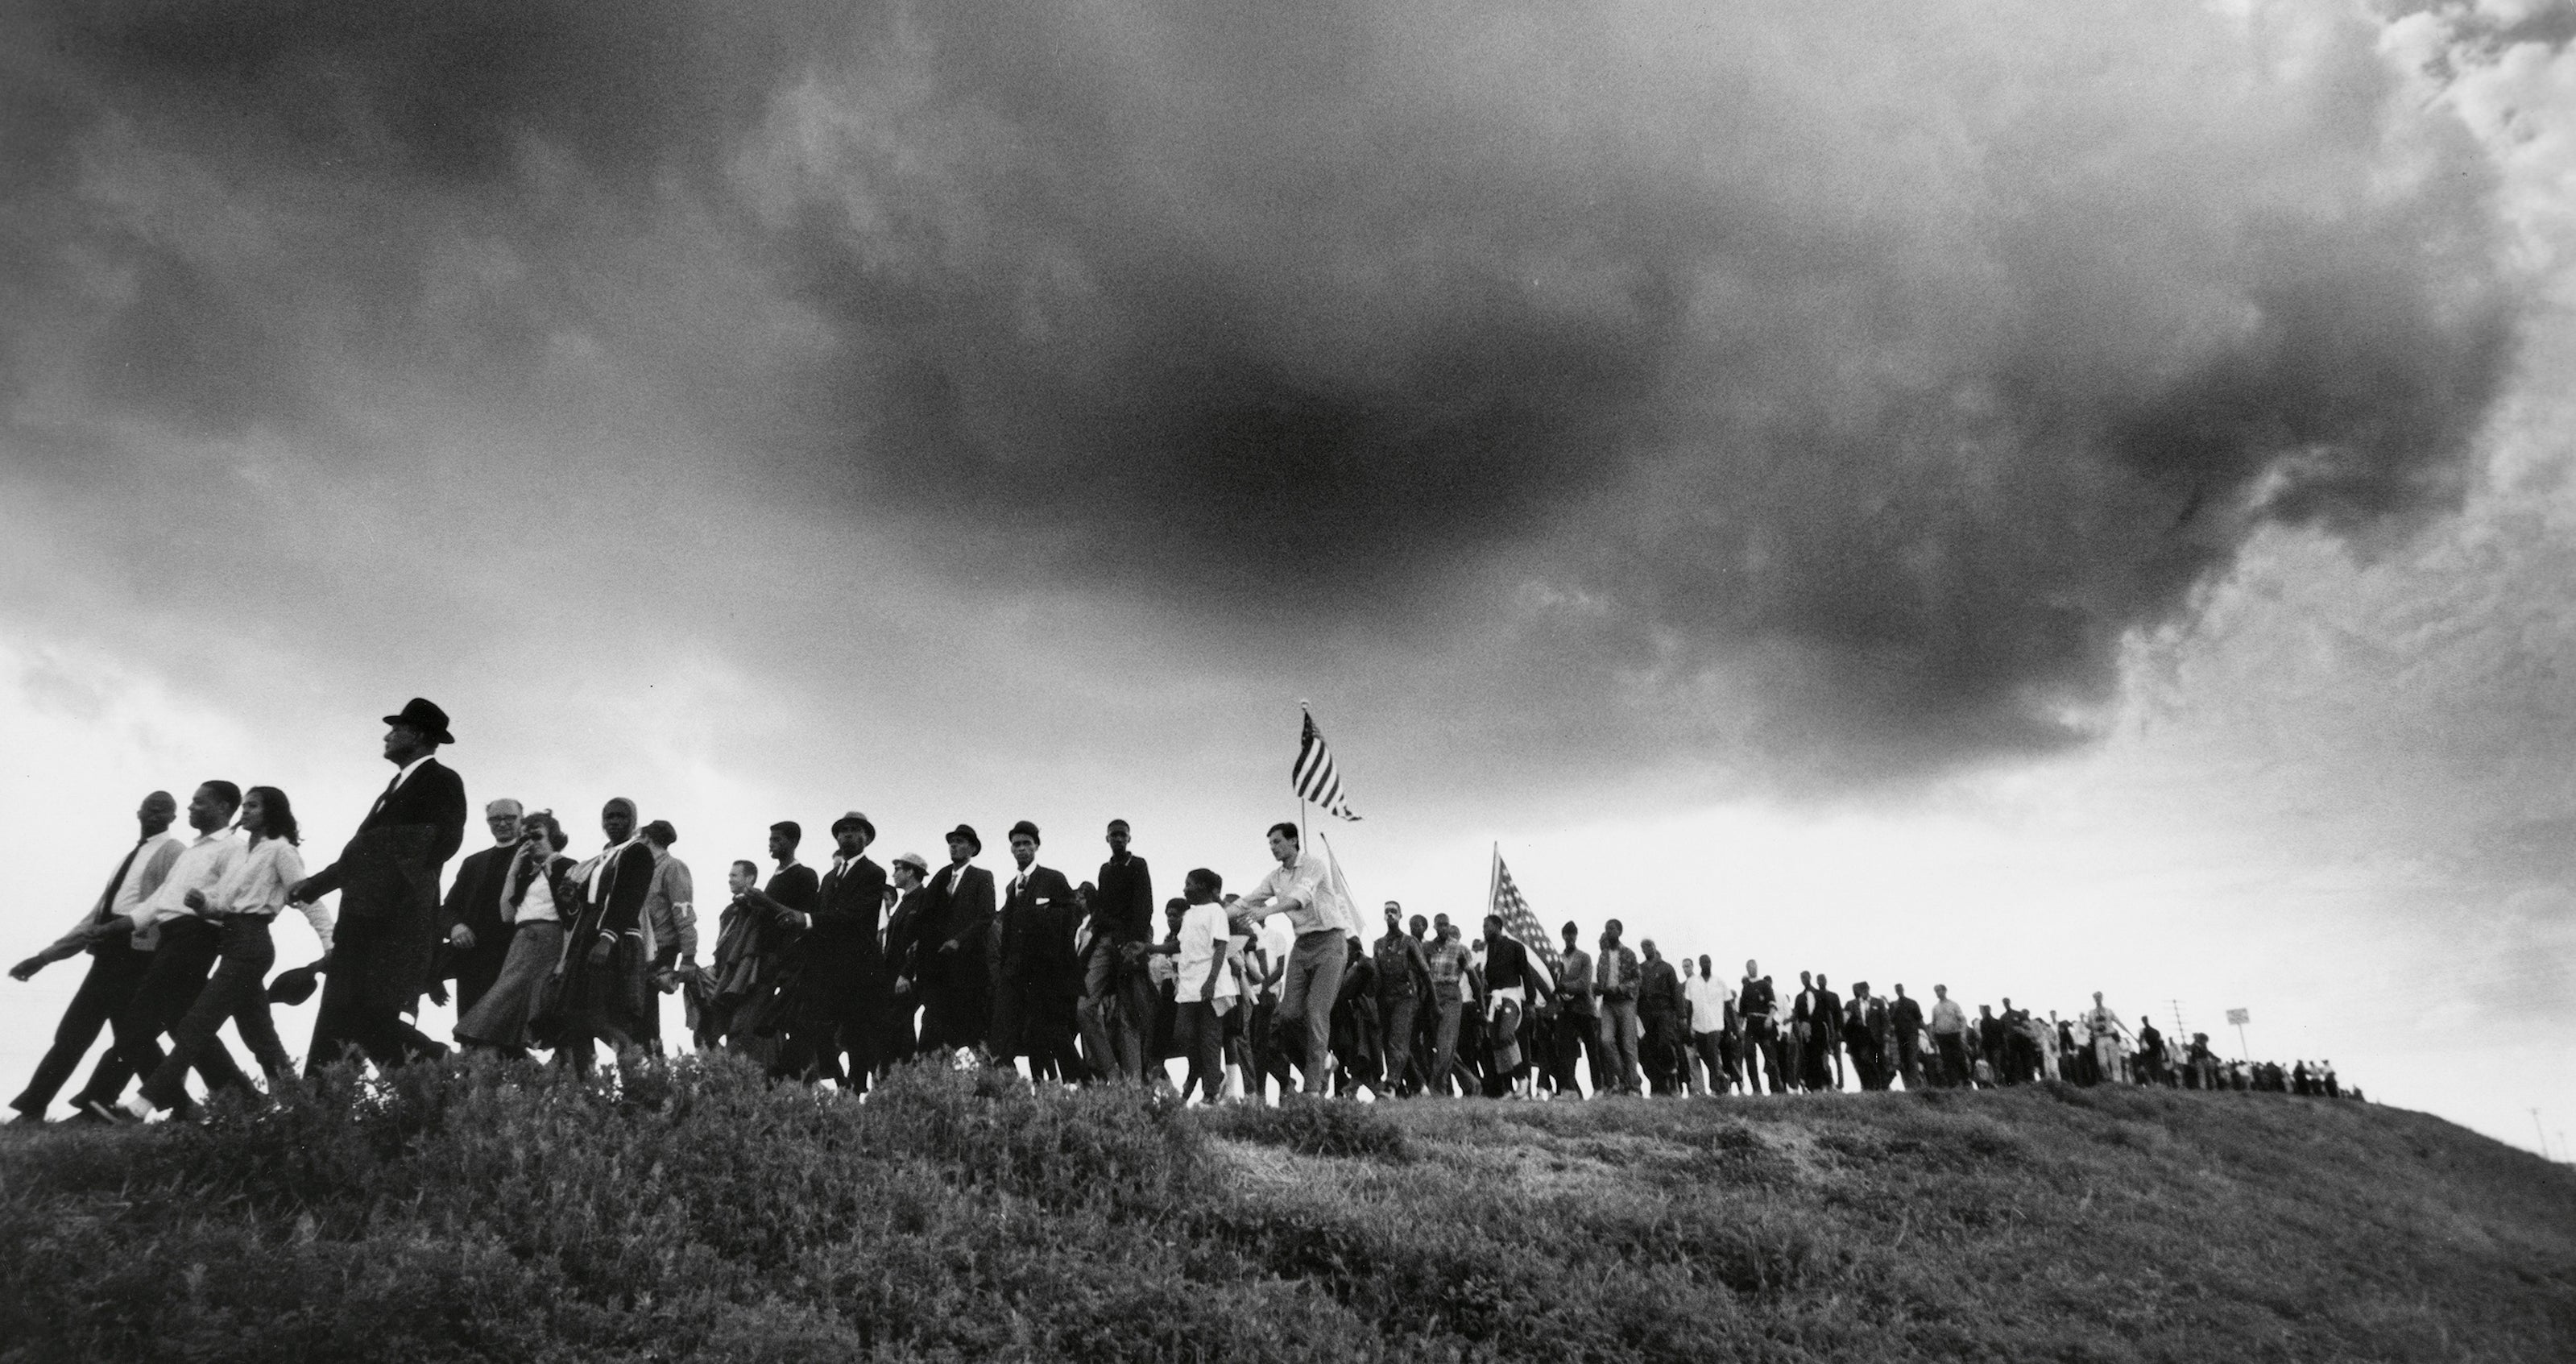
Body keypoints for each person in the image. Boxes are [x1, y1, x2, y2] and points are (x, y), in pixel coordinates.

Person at [123, 786, 329, 1117]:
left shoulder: (280, 851)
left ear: (271, 812)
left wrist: (330, 943)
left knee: (195, 1024)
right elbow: (226, 908)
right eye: (244, 805)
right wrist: (204, 905)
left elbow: (308, 898)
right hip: (233, 942)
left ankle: (141, 1104)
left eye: (253, 806)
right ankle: (299, 1110)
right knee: (259, 1036)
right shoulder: (244, 853)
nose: (244, 811)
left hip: (251, 945)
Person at [290, 699, 468, 1075]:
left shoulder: (443, 780)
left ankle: (445, 1071)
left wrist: (378, 860)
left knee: (368, 1015)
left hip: (395, 920)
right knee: (342, 1013)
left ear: (418, 736)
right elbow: (359, 856)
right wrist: (316, 885)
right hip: (362, 916)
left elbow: (443, 842)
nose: (387, 736)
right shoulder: (394, 786)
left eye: (396, 729)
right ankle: (321, 1105)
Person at [8, 791, 184, 1123]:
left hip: (137, 958)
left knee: (130, 1040)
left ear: (173, 818)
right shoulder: (129, 857)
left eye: (165, 810)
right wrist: (44, 957)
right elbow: (95, 917)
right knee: (76, 1036)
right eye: (151, 807)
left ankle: (176, 1105)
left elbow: (167, 906)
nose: (156, 814)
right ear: (139, 811)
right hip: (107, 956)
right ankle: (33, 1108)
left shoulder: (174, 852)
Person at [96, 782, 254, 1117]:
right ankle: (241, 1101)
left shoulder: (234, 848)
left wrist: (204, 904)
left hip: (196, 937)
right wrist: (114, 927)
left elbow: (229, 898)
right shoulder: (191, 852)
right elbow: (158, 902)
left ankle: (121, 1099)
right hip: (170, 937)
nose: (191, 808)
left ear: (224, 808)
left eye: (199, 802)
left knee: (137, 1020)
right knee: (186, 1027)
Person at [1228, 823, 1352, 1097]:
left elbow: (1300, 898)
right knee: (1287, 1016)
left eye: (1277, 842)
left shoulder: (1314, 866)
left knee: (1316, 1013)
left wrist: (1267, 912)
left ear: (1294, 841)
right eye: (1270, 843)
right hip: (1303, 944)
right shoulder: (1275, 877)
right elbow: (1248, 901)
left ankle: (1311, 1091)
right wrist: (1214, 915)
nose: (1273, 847)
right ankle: (1324, 1064)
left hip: (1330, 942)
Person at [553, 798, 658, 1075]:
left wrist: (607, 939)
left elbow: (629, 899)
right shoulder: (602, 857)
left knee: (605, 1018)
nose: (613, 821)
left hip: (616, 942)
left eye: (620, 816)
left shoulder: (638, 853)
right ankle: (583, 1091)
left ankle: (640, 1082)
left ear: (633, 821)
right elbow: (587, 907)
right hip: (587, 939)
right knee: (576, 1018)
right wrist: (570, 900)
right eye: (608, 817)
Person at [455, 811, 574, 1056]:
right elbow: (507, 914)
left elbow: (571, 918)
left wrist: (564, 961)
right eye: (525, 838)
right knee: (496, 1023)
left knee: (495, 1017)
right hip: (520, 945)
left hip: (546, 943)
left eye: (537, 836)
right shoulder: (527, 873)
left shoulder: (566, 866)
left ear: (553, 837)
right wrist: (513, 872)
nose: (531, 842)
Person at [785, 812, 888, 1089]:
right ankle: (839, 1081)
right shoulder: (830, 877)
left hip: (857, 969)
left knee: (856, 1035)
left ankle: (855, 1091)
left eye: (855, 830)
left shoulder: (874, 873)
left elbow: (852, 915)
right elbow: (821, 914)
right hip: (826, 968)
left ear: (866, 838)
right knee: (817, 1026)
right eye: (843, 831)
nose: (847, 835)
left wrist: (808, 920)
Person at [988, 822, 1083, 1082]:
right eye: (1017, 844)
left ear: (1036, 847)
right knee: (1003, 1029)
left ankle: (1083, 1083)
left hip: (1045, 971)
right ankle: (1005, 1085)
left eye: (1026, 844)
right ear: (1011, 849)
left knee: (1050, 1031)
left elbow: (1070, 918)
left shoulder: (1053, 878)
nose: (1021, 849)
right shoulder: (1011, 887)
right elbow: (1007, 931)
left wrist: (1054, 962)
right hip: (1014, 971)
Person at [1079, 819, 1158, 1085]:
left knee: (1129, 1015)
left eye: (1122, 835)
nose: (1118, 839)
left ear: (1129, 838)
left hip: (1130, 942)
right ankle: (1111, 1071)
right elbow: (1102, 908)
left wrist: (1134, 944)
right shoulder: (1105, 869)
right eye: (1114, 835)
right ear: (1107, 839)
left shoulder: (1138, 865)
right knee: (1084, 1007)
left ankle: (1134, 1087)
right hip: (1105, 940)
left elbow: (1145, 906)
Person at [436, 799, 524, 1022]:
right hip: (474, 959)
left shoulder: (533, 857)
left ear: (522, 819)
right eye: (495, 819)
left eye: (509, 818)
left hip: (515, 956)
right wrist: (456, 927)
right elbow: (448, 908)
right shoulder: (473, 863)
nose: (502, 823)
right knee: (471, 1030)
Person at [916, 825, 995, 1057]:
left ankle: (995, 1089)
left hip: (969, 970)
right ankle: (930, 1089)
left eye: (961, 841)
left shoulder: (982, 877)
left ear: (972, 848)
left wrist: (959, 941)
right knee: (932, 1038)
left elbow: (986, 917)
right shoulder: (941, 876)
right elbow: (925, 914)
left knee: (978, 1039)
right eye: (952, 841)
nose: (954, 845)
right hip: (940, 972)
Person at [637, 819, 699, 1047]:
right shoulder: (644, 869)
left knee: (644, 1008)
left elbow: (683, 911)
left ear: (646, 838)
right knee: (638, 1009)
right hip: (642, 947)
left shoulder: (672, 867)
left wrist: (689, 957)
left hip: (661, 947)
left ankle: (654, 1064)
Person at [1481, 914, 1552, 1100]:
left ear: (1498, 926)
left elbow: (1526, 975)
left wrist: (1530, 1002)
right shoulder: (1488, 950)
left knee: (1506, 1034)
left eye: (1487, 926)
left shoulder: (1515, 947)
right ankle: (1507, 1088)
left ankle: (1522, 1079)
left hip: (1511, 996)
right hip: (1493, 999)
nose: (1484, 930)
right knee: (1496, 1042)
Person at [1373, 902, 1432, 1097]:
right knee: (1391, 1044)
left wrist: (1433, 1002)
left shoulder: (1409, 942)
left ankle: (1391, 1086)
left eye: (1393, 912)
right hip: (1385, 999)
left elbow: (1425, 973)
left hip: (1406, 998)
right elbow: (1377, 976)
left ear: (1400, 916)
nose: (1390, 915)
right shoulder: (1378, 945)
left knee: (1398, 1042)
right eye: (1387, 912)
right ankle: (1419, 1086)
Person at [881, 851, 934, 1068]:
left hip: (907, 979)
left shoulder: (923, 899)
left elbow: (922, 940)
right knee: (895, 1031)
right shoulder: (904, 904)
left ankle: (905, 1081)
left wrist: (906, 973)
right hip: (893, 978)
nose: (893, 874)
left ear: (911, 872)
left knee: (900, 1030)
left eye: (898, 869)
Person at [1422, 921, 1472, 1096]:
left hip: (1451, 993)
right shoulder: (1427, 947)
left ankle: (1437, 1087)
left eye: (1446, 925)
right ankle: (1471, 1083)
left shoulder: (1460, 949)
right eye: (1440, 925)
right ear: (1435, 927)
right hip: (1433, 994)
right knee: (1441, 1045)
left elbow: (1473, 977)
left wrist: (1480, 1005)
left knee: (1445, 1043)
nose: (1443, 928)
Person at [1552, 922, 1601, 1097]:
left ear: (1577, 935)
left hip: (1585, 1009)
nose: (1570, 937)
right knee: (1566, 1050)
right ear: (1563, 936)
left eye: (1572, 934)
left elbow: (1584, 983)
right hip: (1566, 1010)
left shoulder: (1585, 958)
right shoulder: (1557, 959)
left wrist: (1563, 987)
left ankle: (1598, 1087)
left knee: (1591, 1050)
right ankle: (1569, 1088)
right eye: (1567, 934)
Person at [1595, 921, 1642, 1096]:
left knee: (1629, 1044)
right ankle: (1624, 1078)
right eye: (1606, 929)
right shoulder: (1603, 956)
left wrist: (1621, 988)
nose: (1608, 932)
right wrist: (1598, 987)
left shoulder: (1629, 953)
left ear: (1620, 931)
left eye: (1612, 929)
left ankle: (1634, 1087)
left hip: (1625, 1002)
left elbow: (1638, 979)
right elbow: (1600, 978)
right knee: (1606, 1041)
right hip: (1608, 1002)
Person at [1636, 939, 1683, 1096]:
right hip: (1646, 1012)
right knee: (1650, 1047)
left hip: (1664, 1010)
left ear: (1655, 947)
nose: (1646, 949)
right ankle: (1658, 1085)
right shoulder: (1640, 969)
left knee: (1665, 1043)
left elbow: (1676, 992)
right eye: (1643, 947)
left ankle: (1672, 1075)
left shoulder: (1666, 968)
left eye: (1648, 946)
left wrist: (1680, 1015)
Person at [1684, 955, 1730, 1096]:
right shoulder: (1692, 983)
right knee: (1705, 1055)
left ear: (1711, 963)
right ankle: (1722, 1077)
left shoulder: (1719, 982)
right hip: (1699, 1025)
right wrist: (1688, 1026)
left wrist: (1734, 1027)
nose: (1706, 964)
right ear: (1700, 964)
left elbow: (1728, 1004)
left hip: (1716, 1025)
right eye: (1703, 962)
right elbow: (1689, 1006)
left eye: (1708, 962)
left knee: (1712, 1051)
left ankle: (1715, 1088)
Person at [1737, 960, 1783, 1095]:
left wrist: (1769, 1018)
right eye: (1750, 967)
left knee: (1770, 1056)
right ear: (1747, 969)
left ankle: (1775, 1088)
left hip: (1764, 1022)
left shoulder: (1764, 985)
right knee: (1749, 1053)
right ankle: (1756, 1088)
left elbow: (1773, 1006)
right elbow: (1742, 1013)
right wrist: (1740, 1028)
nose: (1753, 969)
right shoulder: (1745, 988)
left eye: (1755, 966)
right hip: (1751, 1023)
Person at [1845, 981, 1891, 1091]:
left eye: (1865, 989)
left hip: (1876, 1037)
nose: (1864, 992)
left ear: (1869, 989)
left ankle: (1884, 1086)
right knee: (1865, 1060)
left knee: (1879, 1061)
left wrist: (1886, 1033)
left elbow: (1885, 1019)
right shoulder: (1852, 1004)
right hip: (1862, 1038)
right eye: (1862, 990)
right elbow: (1846, 1021)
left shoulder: (1878, 1002)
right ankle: (1870, 1085)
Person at [1928, 985, 1969, 1088]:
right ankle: (1953, 1084)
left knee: (1959, 1058)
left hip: (1954, 1035)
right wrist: (1932, 1037)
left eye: (1940, 990)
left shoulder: (1953, 1005)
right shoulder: (1935, 1008)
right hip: (1942, 1036)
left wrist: (1963, 1034)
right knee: (1947, 1060)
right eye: (1936, 991)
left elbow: (1963, 1019)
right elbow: (1933, 1023)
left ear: (1945, 991)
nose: (1938, 993)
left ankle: (1966, 1081)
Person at [2082, 992, 2127, 1085]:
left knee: (2115, 1062)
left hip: (2110, 1037)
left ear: (2102, 998)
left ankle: (2118, 1083)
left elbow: (2118, 1022)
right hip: (2099, 1038)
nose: (2097, 999)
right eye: (2096, 998)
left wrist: (2128, 1032)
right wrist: (2093, 1027)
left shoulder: (2109, 1011)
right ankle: (2109, 1079)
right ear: (2094, 999)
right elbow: (2088, 1025)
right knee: (2102, 1063)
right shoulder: (2091, 1013)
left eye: (2099, 997)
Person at [1812, 975, 1845, 1091]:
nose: (1821, 982)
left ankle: (1840, 1085)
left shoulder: (1833, 996)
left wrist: (1839, 1031)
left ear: (1826, 981)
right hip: (1821, 1032)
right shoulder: (1815, 995)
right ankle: (1829, 1082)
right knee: (1824, 1059)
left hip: (1834, 1031)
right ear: (1817, 982)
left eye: (1823, 980)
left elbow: (1839, 1015)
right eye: (1819, 980)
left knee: (1838, 1060)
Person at [1888, 984, 1925, 1089]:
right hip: (1900, 1036)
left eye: (1900, 989)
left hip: (1912, 1034)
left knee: (1912, 1057)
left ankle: (1915, 1084)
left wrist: (1928, 1034)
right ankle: (1909, 1084)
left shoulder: (1912, 1003)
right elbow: (1890, 1020)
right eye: (1897, 989)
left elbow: (1919, 1019)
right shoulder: (1893, 1005)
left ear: (1903, 989)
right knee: (1904, 1060)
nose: (1899, 991)